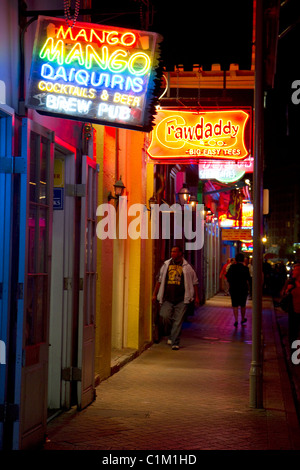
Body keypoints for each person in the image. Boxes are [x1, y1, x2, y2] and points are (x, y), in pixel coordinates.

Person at [152, 246, 199, 350]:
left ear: (180, 253)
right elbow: (159, 280)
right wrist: (155, 294)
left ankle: (175, 342)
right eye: (172, 251)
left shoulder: (187, 266)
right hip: (167, 298)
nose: (172, 253)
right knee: (164, 316)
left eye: (174, 251)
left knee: (178, 321)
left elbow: (195, 282)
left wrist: (196, 297)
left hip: (182, 299)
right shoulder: (166, 265)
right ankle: (170, 334)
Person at [226, 252, 251, 327]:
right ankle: (242, 318)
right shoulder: (245, 268)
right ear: (243, 260)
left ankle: (236, 320)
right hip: (243, 288)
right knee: (243, 304)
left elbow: (228, 277)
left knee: (235, 304)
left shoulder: (232, 267)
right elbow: (248, 279)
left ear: (236, 259)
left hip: (234, 288)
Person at [281, 264, 300, 348]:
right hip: (293, 311)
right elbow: (283, 294)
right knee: (293, 334)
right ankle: (294, 356)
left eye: (295, 270)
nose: (293, 271)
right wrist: (288, 290)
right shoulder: (290, 282)